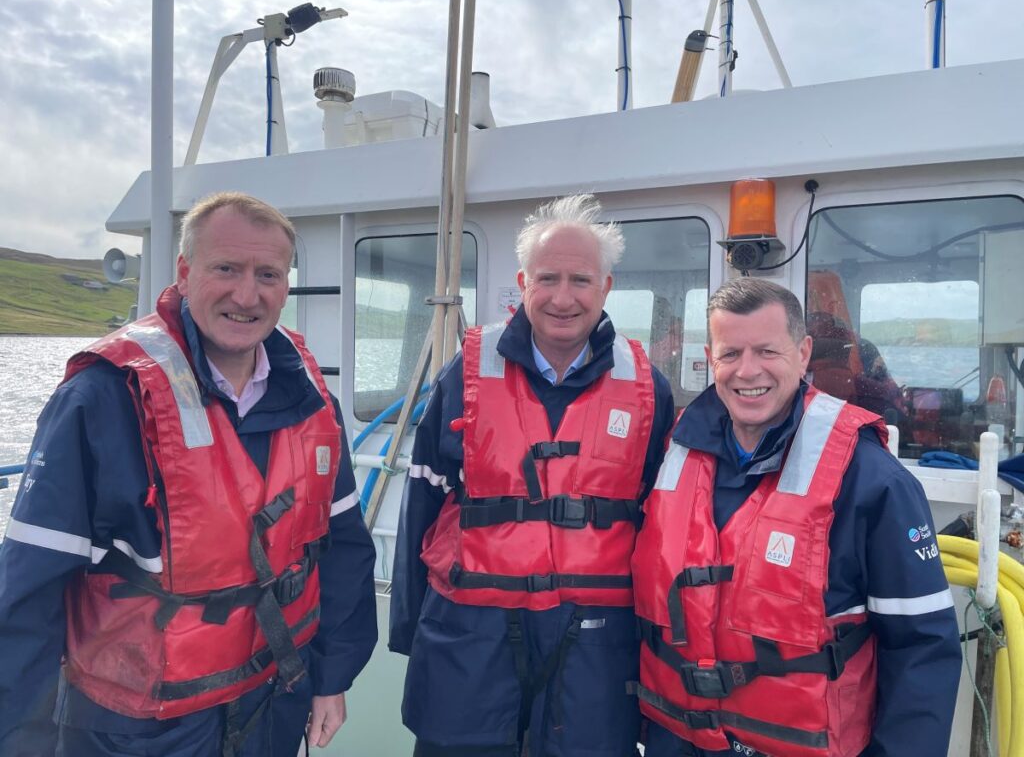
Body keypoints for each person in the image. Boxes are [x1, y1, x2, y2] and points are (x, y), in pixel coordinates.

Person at [0, 192, 377, 756]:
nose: (247, 295)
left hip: (273, 704)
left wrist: (332, 677)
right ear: (184, 271)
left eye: (268, 274)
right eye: (226, 268)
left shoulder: (312, 397)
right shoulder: (103, 398)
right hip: (137, 731)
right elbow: (31, 588)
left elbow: (343, 546)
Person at [389, 194, 675, 757]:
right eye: (547, 278)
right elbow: (422, 497)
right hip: (472, 631)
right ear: (523, 282)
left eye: (580, 280)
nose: (562, 298)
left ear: (607, 287)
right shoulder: (465, 372)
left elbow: (661, 523)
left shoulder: (647, 388)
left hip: (596, 637)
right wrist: (410, 627)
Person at [631, 277, 961, 757]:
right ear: (710, 357)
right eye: (730, 354)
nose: (747, 371)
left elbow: (922, 647)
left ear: (803, 353)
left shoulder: (871, 478)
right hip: (675, 737)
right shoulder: (674, 450)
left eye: (767, 351)